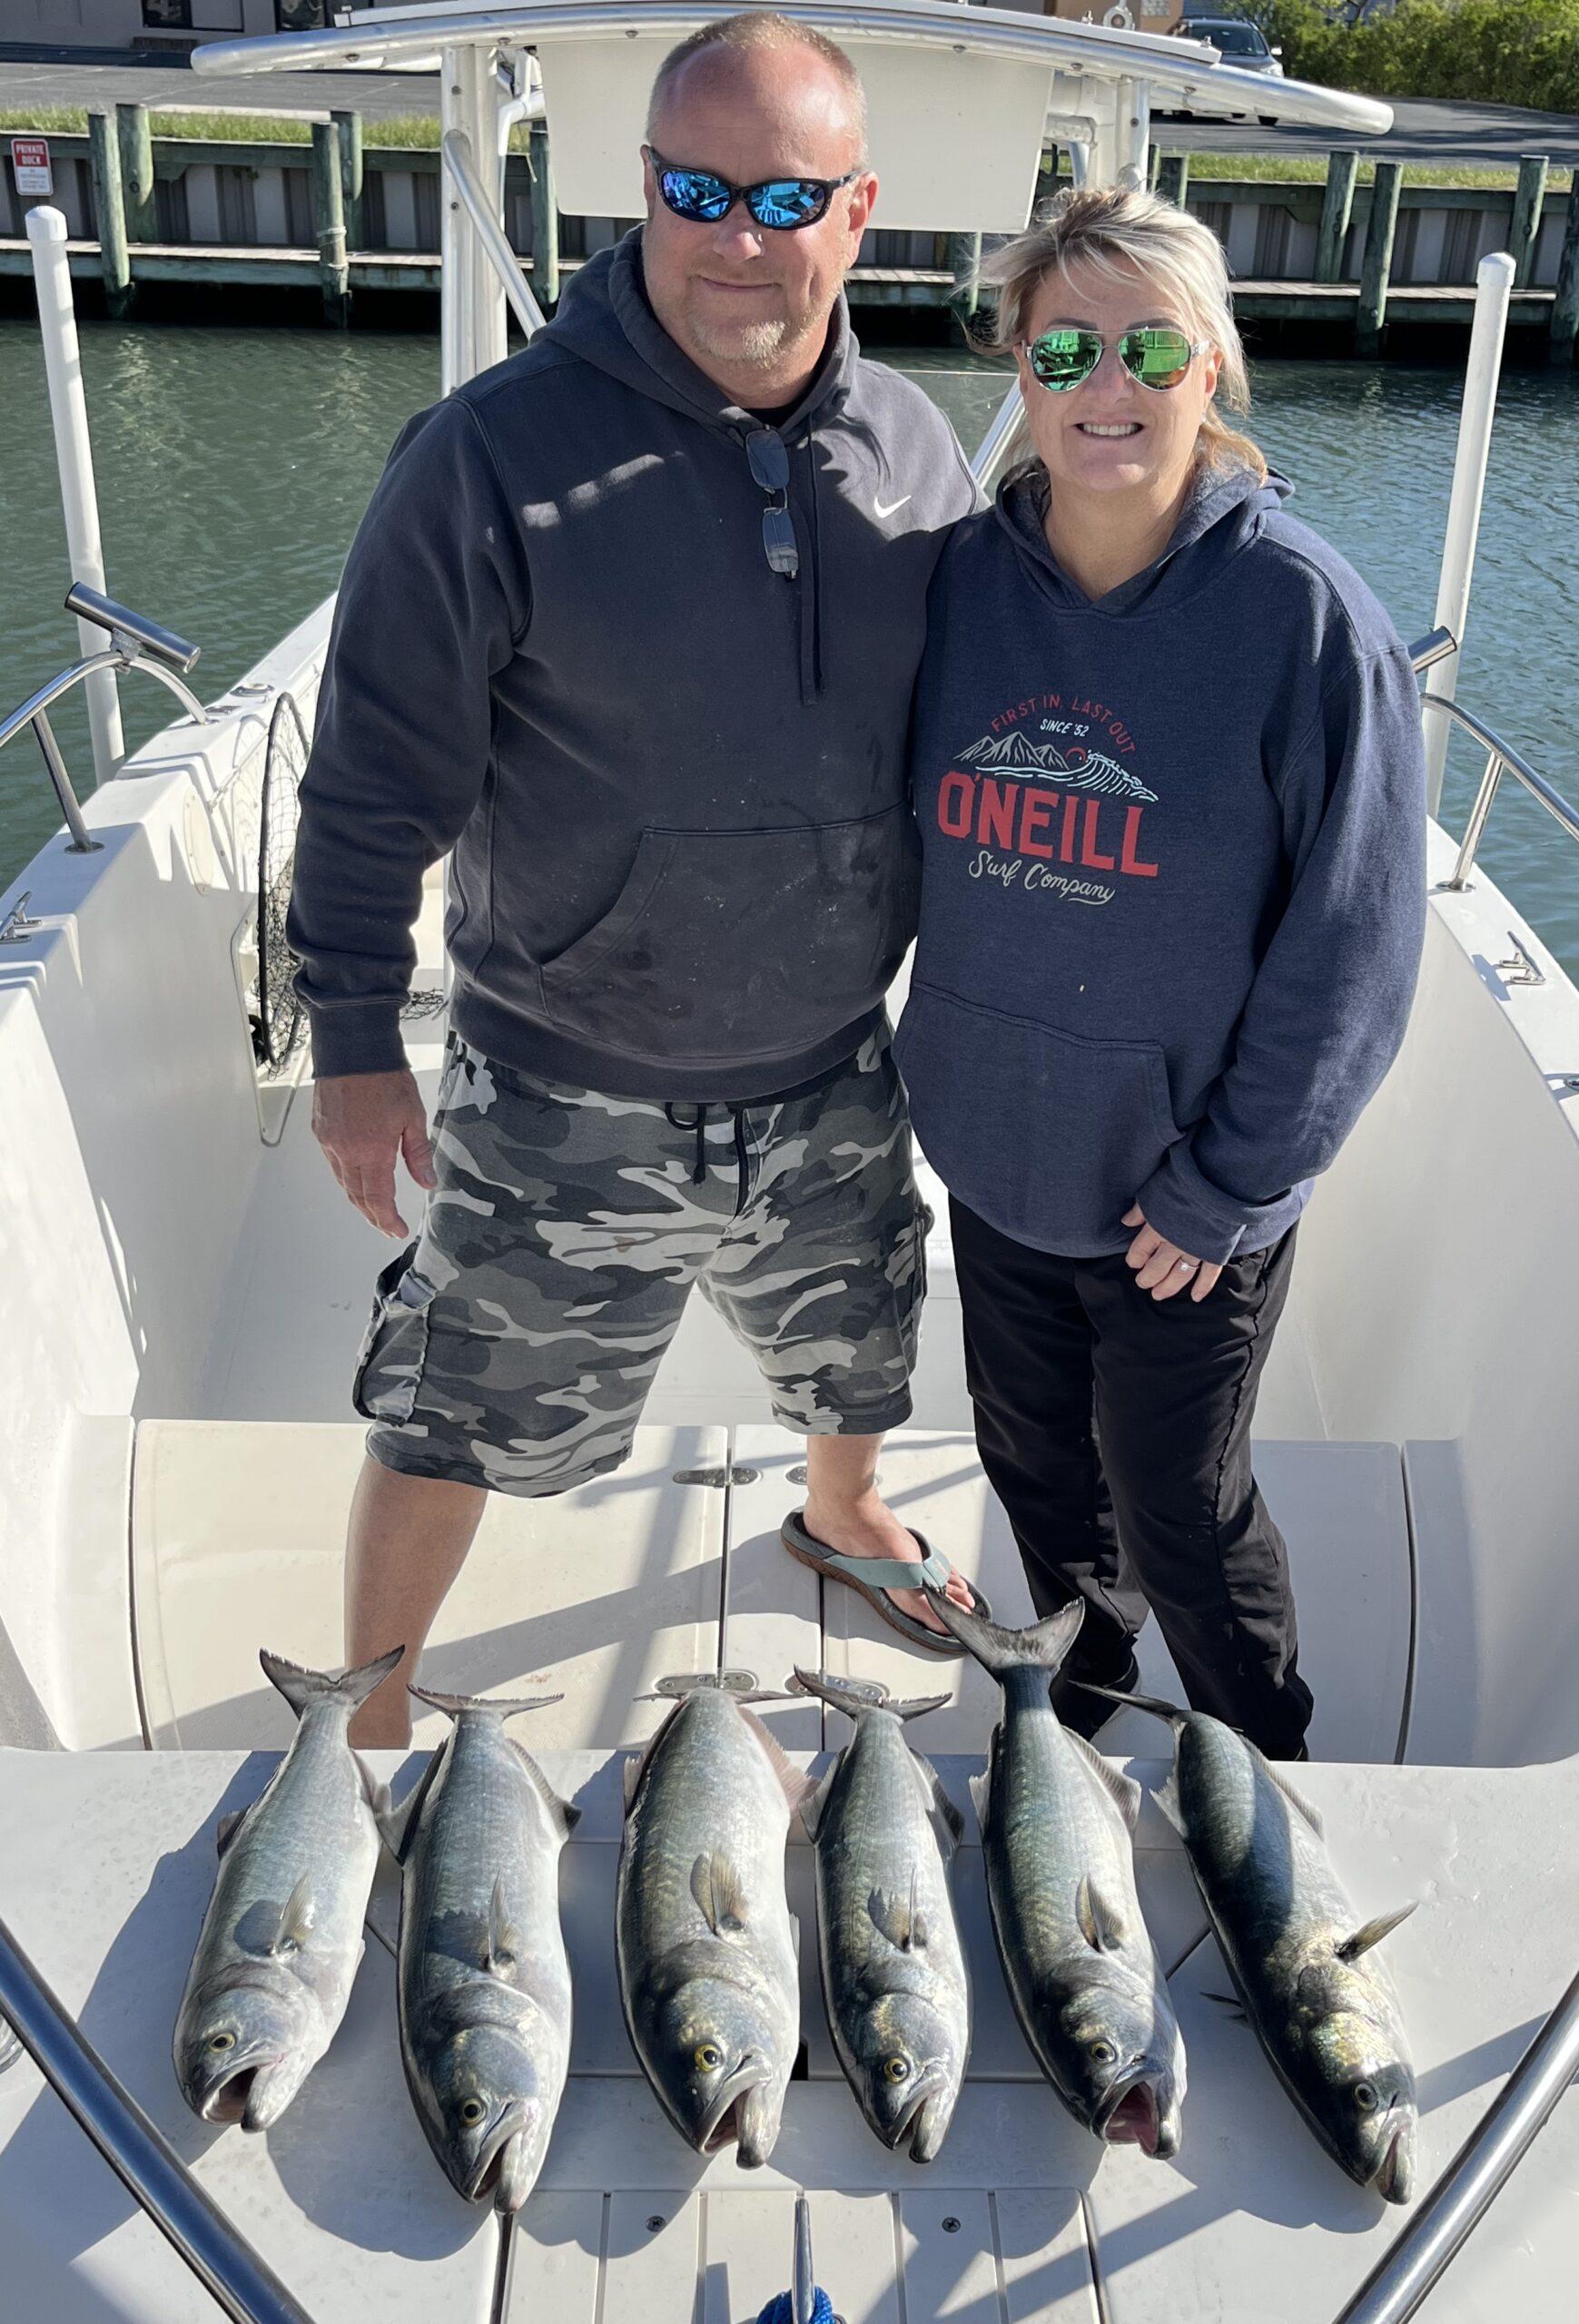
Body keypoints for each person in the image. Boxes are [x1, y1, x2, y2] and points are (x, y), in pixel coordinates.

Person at [288, 12, 982, 1746]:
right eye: (695, 188)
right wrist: (355, 1040)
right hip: (562, 1085)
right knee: (453, 1413)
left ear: (861, 209)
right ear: (639, 195)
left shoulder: (915, 448)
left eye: (786, 194)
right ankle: (365, 1716)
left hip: (831, 1061)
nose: (742, 236)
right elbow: (374, 778)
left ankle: (835, 1512)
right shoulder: (487, 457)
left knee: (859, 1344)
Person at [903, 187, 1427, 1758]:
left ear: (1215, 367)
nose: (1105, 387)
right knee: (1037, 1476)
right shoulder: (957, 586)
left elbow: (1355, 946)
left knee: (1183, 1512)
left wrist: (1226, 1187)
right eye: (1064, 346)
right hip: (998, 1168)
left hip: (1185, 1214)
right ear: (1018, 364)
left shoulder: (1303, 618)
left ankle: (1268, 1761)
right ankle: (1073, 1709)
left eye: (1149, 348)